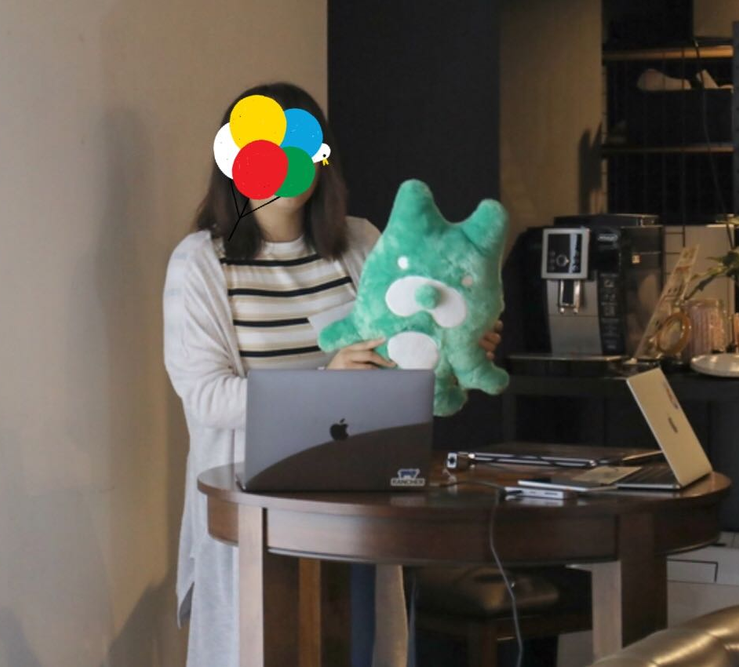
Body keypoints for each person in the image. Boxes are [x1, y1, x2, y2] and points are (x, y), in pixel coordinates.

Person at [163, 81, 502, 667]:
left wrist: (453, 341)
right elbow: (206, 397)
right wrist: (328, 381)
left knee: (359, 647)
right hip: (256, 502)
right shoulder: (201, 263)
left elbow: (400, 353)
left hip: (357, 496)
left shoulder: (361, 243)